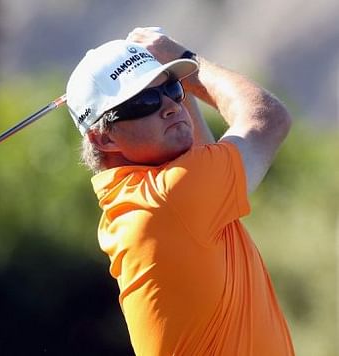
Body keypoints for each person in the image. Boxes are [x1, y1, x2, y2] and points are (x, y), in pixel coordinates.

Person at [65, 27, 295, 355]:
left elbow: (197, 151)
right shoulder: (169, 199)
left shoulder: (141, 198)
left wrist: (174, 75)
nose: (171, 107)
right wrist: (184, 58)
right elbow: (269, 119)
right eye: (144, 101)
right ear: (104, 138)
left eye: (172, 89)